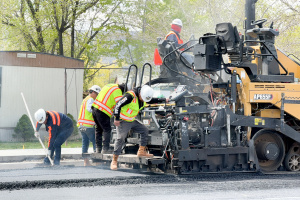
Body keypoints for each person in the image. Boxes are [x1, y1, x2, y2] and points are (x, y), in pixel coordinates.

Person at [110, 85, 167, 170]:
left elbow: (151, 100)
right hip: (123, 121)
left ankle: (141, 151)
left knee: (144, 130)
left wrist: (163, 100)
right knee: (121, 138)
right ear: (140, 94)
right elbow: (118, 105)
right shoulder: (130, 96)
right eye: (142, 98)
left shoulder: (143, 97)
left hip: (132, 120)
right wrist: (116, 118)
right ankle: (114, 161)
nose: (143, 100)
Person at [91, 83, 126, 154]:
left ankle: (98, 149)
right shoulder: (117, 90)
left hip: (95, 108)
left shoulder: (109, 85)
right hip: (103, 111)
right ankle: (105, 149)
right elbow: (119, 104)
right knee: (107, 129)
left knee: (98, 129)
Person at [77, 85, 101, 166]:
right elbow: (89, 109)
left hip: (81, 126)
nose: (97, 96)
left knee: (85, 143)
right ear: (93, 92)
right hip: (88, 126)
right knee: (95, 142)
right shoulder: (90, 99)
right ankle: (97, 161)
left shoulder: (85, 99)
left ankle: (86, 162)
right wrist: (98, 111)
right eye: (97, 94)